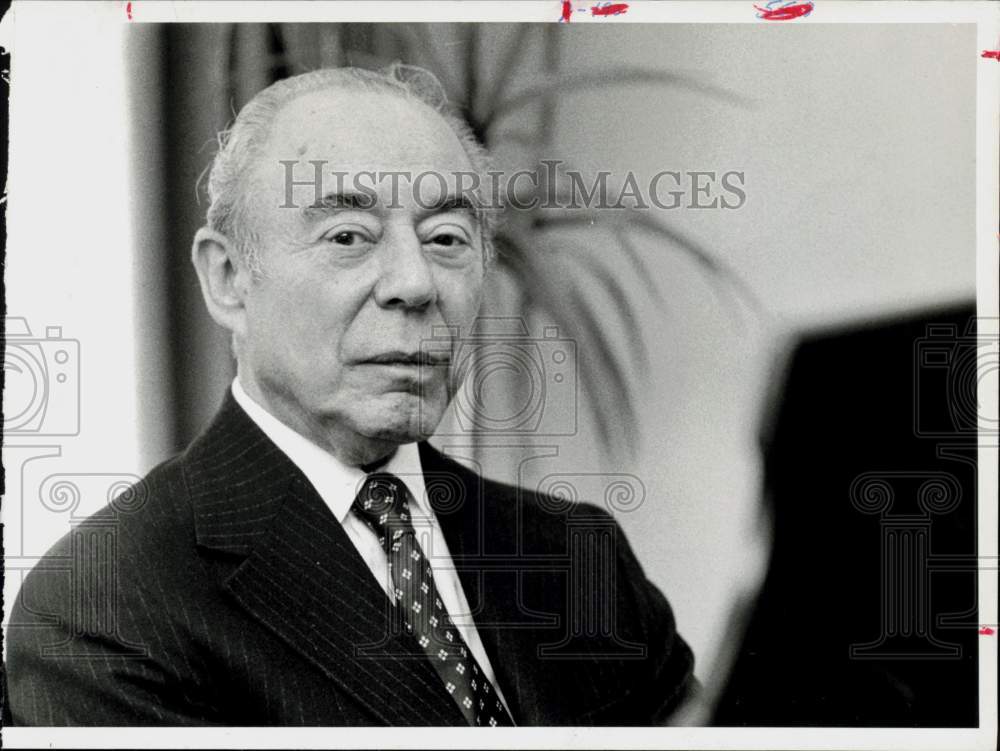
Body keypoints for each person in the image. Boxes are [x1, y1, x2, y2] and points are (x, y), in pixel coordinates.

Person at [4, 65, 694, 726]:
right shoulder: (106, 604)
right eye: (348, 236)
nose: (414, 283)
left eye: (447, 237)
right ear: (227, 278)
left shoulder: (579, 554)